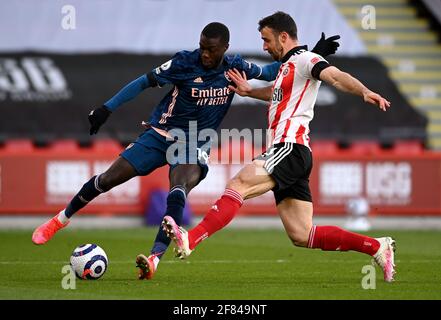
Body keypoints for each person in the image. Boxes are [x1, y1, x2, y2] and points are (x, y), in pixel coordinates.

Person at [32, 21, 340, 280]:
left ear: (224, 49)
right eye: (202, 47)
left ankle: (153, 258)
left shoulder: (235, 66)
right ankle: (60, 219)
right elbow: (142, 83)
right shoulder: (183, 62)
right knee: (108, 179)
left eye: (211, 50)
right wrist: (106, 108)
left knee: (178, 187)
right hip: (159, 134)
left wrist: (311, 54)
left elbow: (274, 70)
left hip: (195, 143)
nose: (205, 54)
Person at [162, 12, 396, 282]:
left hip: (289, 146)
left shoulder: (306, 60)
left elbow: (335, 76)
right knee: (302, 234)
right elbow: (277, 92)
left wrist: (363, 91)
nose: (264, 46)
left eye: (266, 40)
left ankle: (190, 239)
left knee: (238, 184)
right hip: (296, 153)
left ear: (283, 37)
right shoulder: (290, 66)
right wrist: (249, 91)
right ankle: (377, 246)